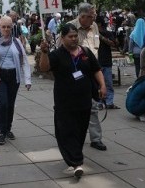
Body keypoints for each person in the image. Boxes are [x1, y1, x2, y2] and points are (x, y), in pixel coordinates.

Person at [39, 23, 106, 178]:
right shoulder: (57, 54)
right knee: (67, 132)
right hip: (64, 102)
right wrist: (43, 52)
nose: (74, 39)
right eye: (70, 36)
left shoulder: (86, 52)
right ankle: (76, 163)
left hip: (84, 101)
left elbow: (96, 70)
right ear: (63, 38)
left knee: (80, 131)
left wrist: (103, 86)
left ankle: (75, 156)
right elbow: (44, 68)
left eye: (75, 36)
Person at [65, 3, 107, 151]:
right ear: (82, 16)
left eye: (93, 16)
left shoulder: (94, 26)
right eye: (90, 16)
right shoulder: (70, 27)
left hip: (92, 71)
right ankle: (73, 136)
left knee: (94, 106)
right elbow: (61, 49)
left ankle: (96, 139)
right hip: (75, 72)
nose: (93, 19)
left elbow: (96, 46)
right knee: (75, 107)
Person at [0, 16, 31, 145]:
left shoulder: (17, 42)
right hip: (0, 76)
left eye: (8, 27)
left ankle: (8, 129)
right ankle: (2, 131)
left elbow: (24, 60)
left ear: (12, 27)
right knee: (3, 103)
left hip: (14, 75)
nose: (6, 29)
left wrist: (27, 80)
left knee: (10, 104)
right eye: (3, 27)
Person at [96, 16, 119, 109]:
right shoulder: (91, 34)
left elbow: (113, 44)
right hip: (97, 62)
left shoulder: (107, 33)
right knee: (98, 84)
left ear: (99, 24)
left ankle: (109, 102)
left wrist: (100, 37)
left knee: (108, 83)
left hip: (106, 61)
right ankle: (100, 102)